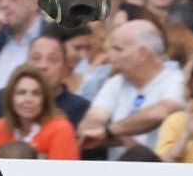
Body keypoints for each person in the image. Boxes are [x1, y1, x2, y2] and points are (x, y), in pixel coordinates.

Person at [76, 21, 186, 156]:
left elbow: (160, 113)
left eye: (118, 49)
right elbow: (90, 123)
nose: (111, 57)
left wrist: (109, 133)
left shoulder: (176, 81)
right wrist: (119, 138)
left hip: (159, 172)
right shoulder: (116, 82)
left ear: (143, 53)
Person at [0, 66, 79, 162]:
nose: (28, 99)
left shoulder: (61, 128)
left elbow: (63, 174)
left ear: (45, 99)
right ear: (10, 98)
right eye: (21, 93)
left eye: (36, 93)